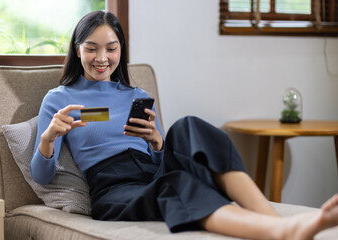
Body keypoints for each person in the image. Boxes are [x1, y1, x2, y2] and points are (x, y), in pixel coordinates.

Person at [30, 10, 338, 240]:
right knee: (176, 185)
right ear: (77, 49)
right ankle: (282, 231)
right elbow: (41, 176)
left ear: (121, 49)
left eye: (111, 48)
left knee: (190, 126)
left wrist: (156, 143)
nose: (102, 57)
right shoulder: (59, 99)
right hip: (114, 189)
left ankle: (273, 218)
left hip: (150, 171)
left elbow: (163, 159)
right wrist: (48, 139)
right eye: (91, 48)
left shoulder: (137, 95)